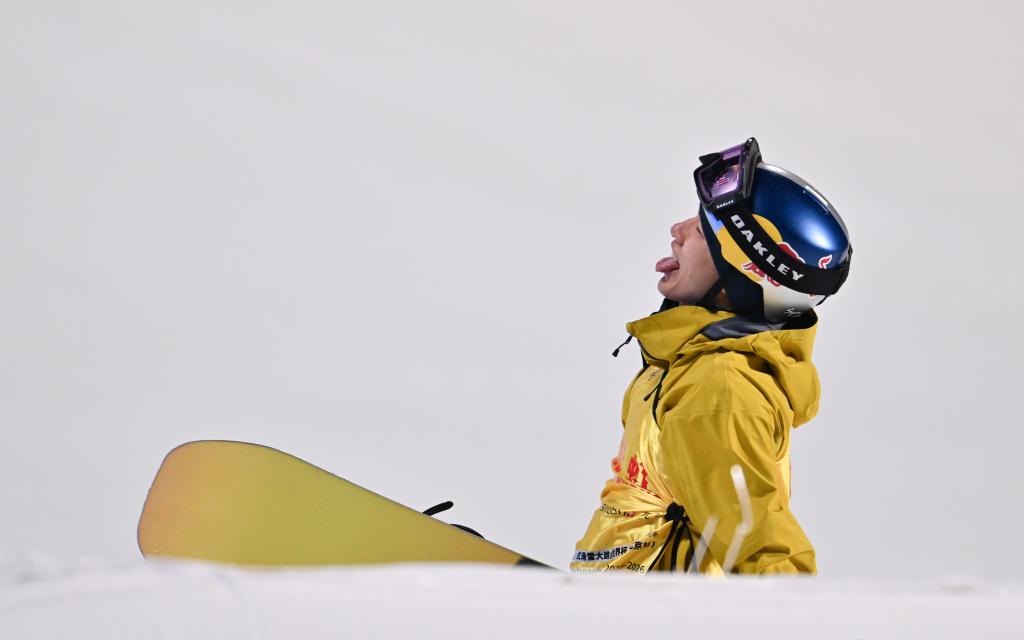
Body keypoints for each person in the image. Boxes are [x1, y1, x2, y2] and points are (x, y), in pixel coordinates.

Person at [571, 138, 852, 575]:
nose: (678, 230)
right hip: (620, 599)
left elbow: (761, 546)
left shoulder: (716, 388)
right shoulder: (682, 360)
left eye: (702, 231)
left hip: (662, 609)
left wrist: (795, 609)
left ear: (740, 278)